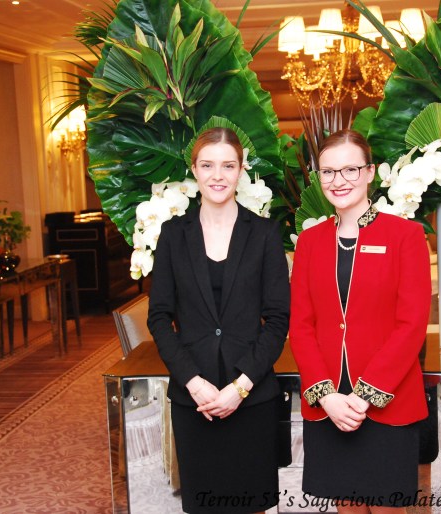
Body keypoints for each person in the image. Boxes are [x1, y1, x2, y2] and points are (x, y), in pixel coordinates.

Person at [147, 127, 290, 514]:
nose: (218, 175)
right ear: (194, 170)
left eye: (228, 165)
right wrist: (193, 382)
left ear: (241, 171)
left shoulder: (264, 234)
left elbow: (278, 320)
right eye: (208, 165)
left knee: (252, 506)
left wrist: (239, 388)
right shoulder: (173, 235)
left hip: (252, 397)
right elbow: (159, 317)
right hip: (194, 401)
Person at [289, 129, 432, 513]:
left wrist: (364, 395)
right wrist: (327, 396)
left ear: (370, 172)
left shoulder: (406, 236)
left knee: (387, 507)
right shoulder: (310, 242)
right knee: (346, 505)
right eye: (328, 172)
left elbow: (412, 325)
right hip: (330, 402)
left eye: (350, 169)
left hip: (387, 399)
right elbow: (300, 325)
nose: (339, 180)